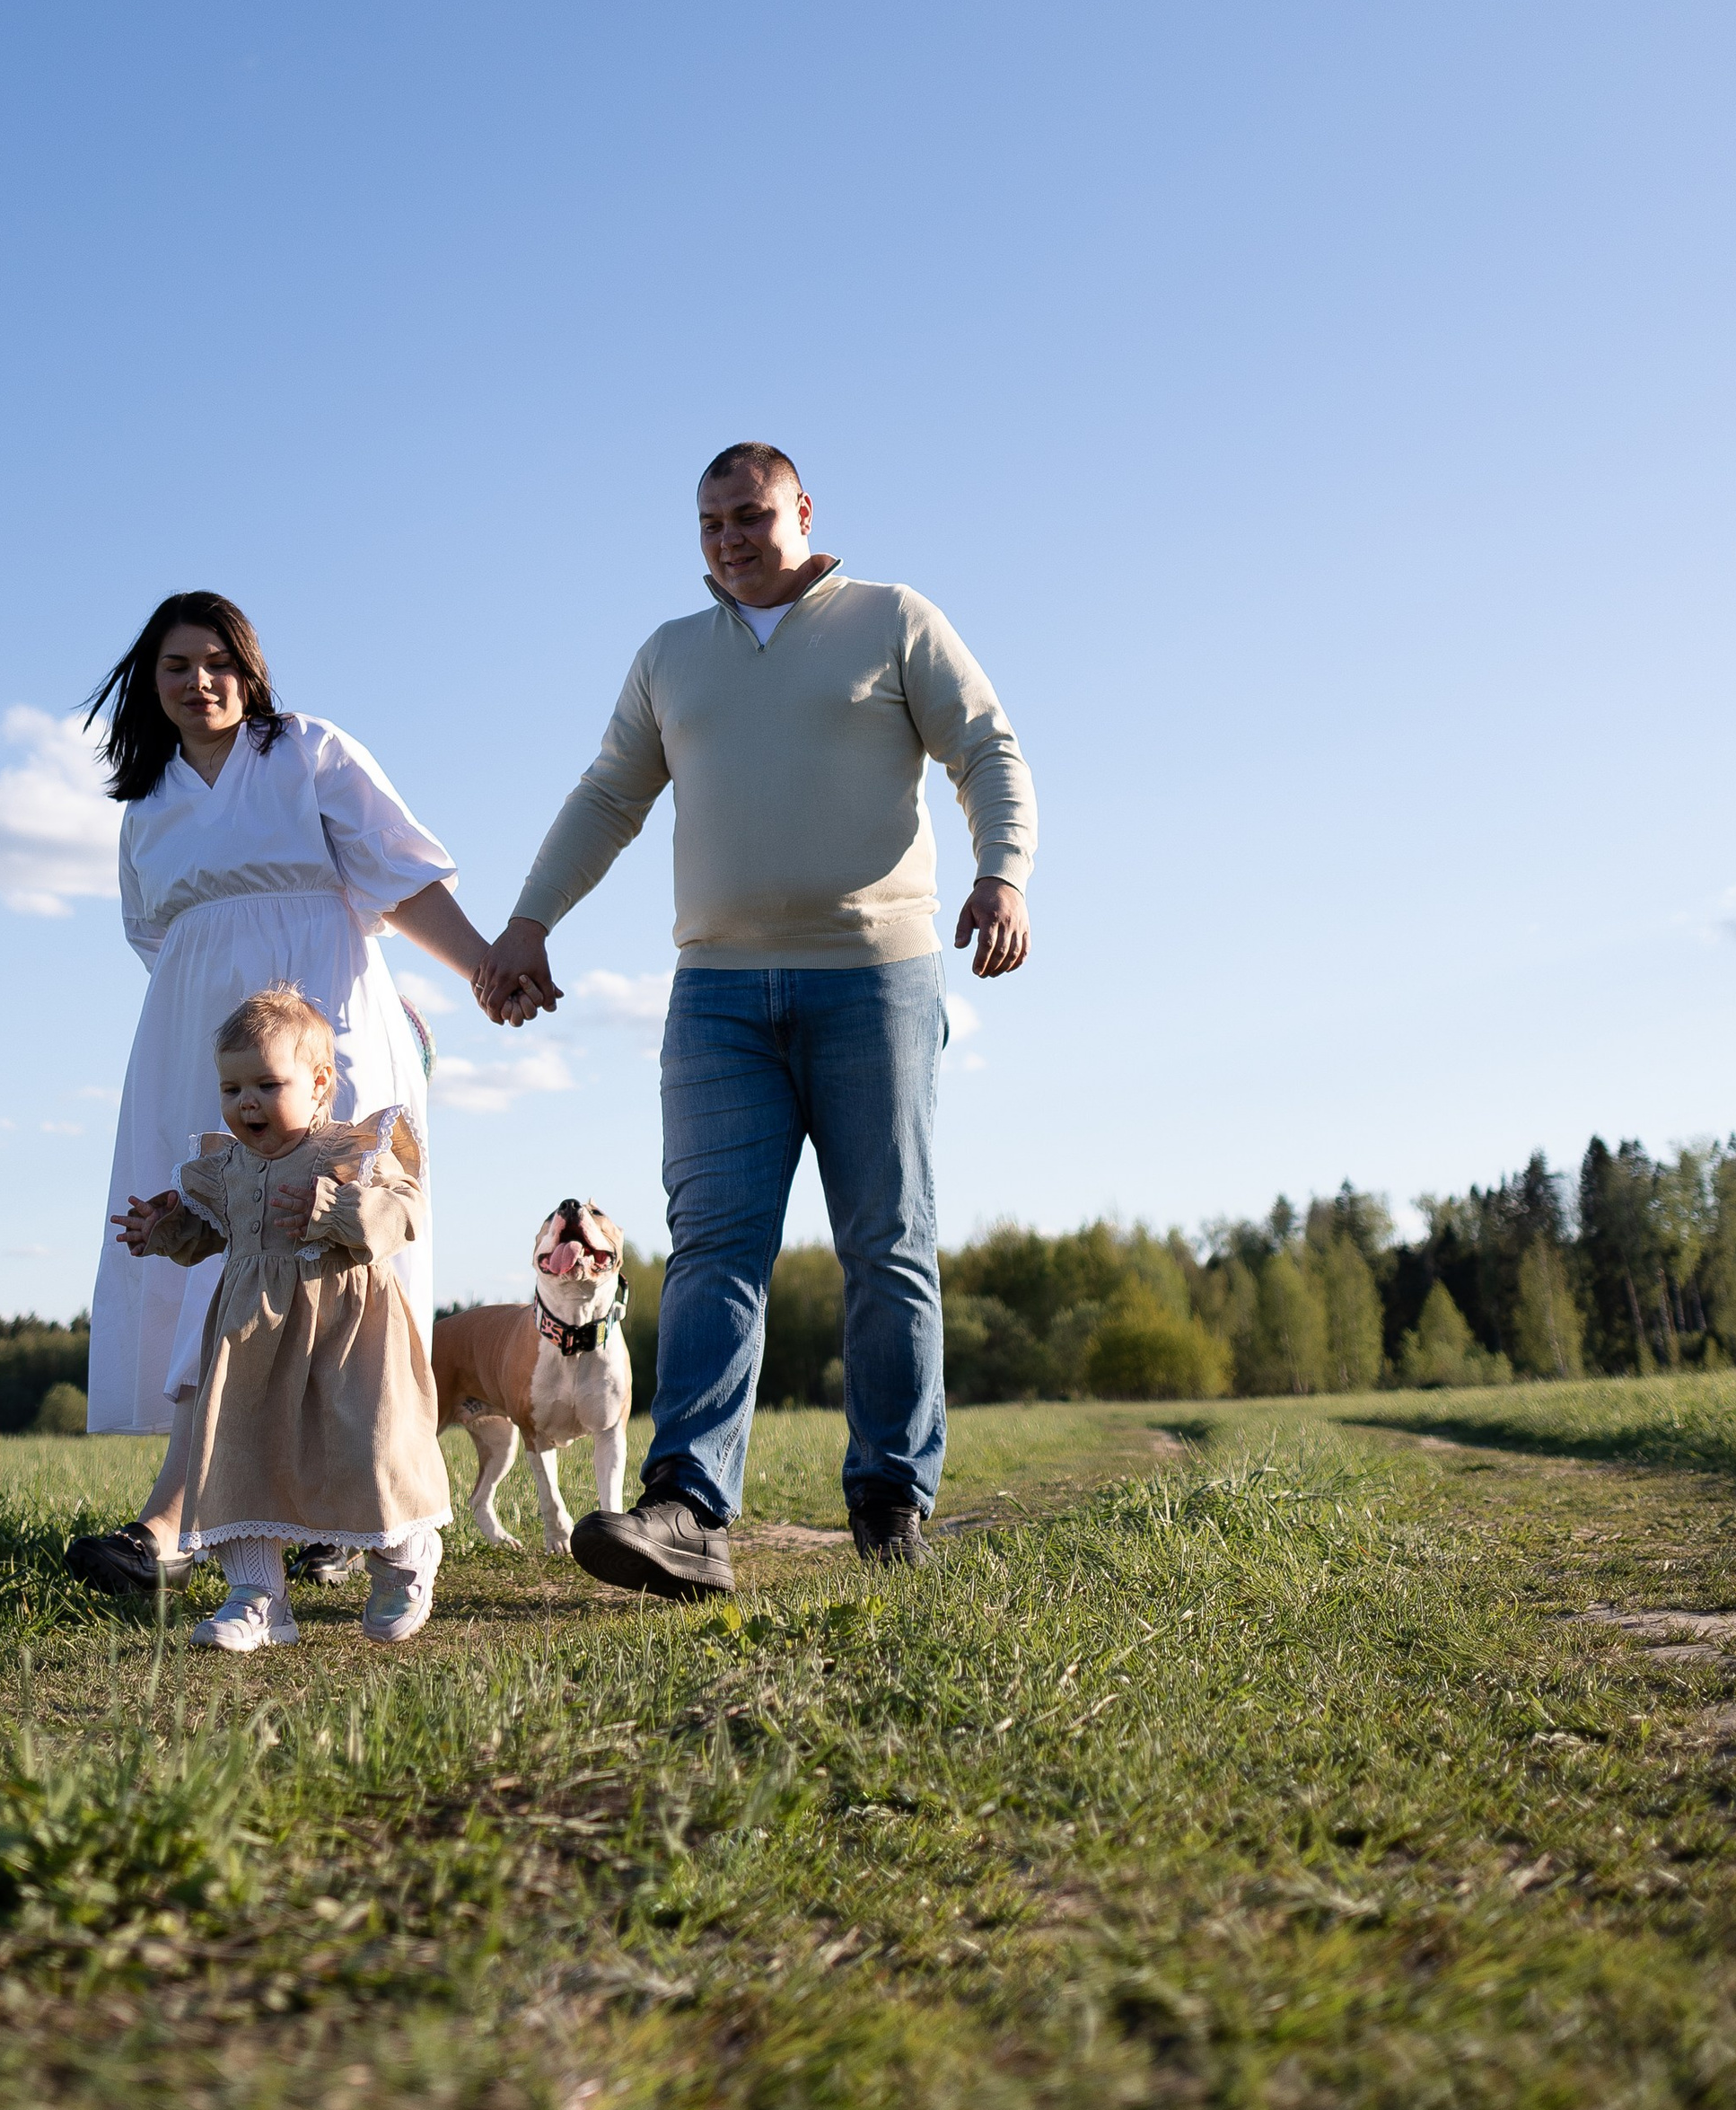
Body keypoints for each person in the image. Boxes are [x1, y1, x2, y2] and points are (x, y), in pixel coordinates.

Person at [475, 443, 1037, 1594]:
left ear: (803, 511)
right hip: (718, 991)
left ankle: (889, 1497)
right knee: (714, 1248)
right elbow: (608, 795)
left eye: (749, 515)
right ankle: (686, 1507)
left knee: (887, 1243)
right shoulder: (670, 656)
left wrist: (1004, 870)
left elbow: (984, 747)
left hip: (874, 976)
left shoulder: (890, 619)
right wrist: (529, 921)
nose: (729, 537)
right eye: (709, 523)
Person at [66, 588, 510, 1597]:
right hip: (199, 1045)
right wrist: (209, 1038)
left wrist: (479, 967)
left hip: (328, 1025)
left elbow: (398, 881)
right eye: (176, 665)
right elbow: (158, 942)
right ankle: (223, 1516)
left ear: (250, 668)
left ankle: (314, 1512)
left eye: (218, 660)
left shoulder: (306, 752)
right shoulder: (147, 811)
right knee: (215, 1256)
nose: (198, 680)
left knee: (334, 1256)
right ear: (151, 681)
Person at [116, 987, 450, 1649]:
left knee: (368, 1445)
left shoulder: (350, 1152)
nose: (247, 1103)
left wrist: (341, 1212)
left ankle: (403, 1558)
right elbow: (208, 1235)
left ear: (320, 1082)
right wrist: (165, 1228)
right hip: (252, 1339)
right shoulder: (224, 1169)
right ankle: (257, 1597)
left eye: (267, 1084)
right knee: (239, 1450)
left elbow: (405, 1212)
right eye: (232, 1087)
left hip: (348, 1341)